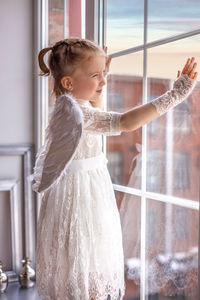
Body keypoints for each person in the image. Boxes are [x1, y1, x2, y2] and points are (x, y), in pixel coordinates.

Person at [30, 38, 197, 300]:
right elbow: (124, 122)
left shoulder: (70, 105)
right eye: (96, 76)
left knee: (85, 263)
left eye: (104, 75)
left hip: (83, 192)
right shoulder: (77, 114)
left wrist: (98, 74)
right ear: (68, 83)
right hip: (83, 200)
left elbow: (96, 107)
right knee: (86, 262)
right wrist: (175, 95)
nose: (104, 82)